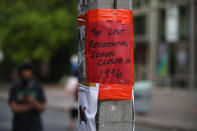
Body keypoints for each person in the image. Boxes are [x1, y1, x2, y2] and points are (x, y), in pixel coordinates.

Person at [8, 63, 46, 131]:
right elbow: (15, 109)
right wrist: (32, 105)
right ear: (20, 73)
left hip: (35, 126)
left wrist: (32, 101)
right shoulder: (15, 87)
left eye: (28, 71)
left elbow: (42, 108)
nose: (26, 73)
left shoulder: (37, 86)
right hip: (19, 126)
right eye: (24, 72)